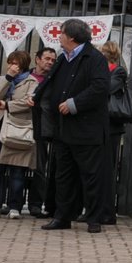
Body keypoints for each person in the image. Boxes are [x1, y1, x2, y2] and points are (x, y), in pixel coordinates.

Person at [33, 18, 110, 232]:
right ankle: (62, 217)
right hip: (63, 128)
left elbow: (100, 88)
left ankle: (94, 218)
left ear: (72, 38)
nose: (59, 36)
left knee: (90, 175)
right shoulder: (62, 58)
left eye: (62, 33)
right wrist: (37, 96)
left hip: (87, 129)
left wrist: (74, 104)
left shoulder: (95, 59)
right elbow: (50, 81)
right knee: (63, 175)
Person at [0, 50, 38, 219]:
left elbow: (30, 102)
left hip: (18, 128)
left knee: (17, 170)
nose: (12, 66)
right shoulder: (3, 78)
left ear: (23, 64)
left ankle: (15, 206)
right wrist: (8, 78)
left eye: (15, 63)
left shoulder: (32, 82)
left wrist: (8, 105)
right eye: (10, 62)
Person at [99, 40, 132, 226]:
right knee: (95, 169)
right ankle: (94, 208)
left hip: (111, 126)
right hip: (96, 125)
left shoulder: (118, 71)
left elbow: (107, 89)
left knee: (108, 170)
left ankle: (108, 212)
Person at [26, 47, 56, 217]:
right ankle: (12, 203)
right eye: (47, 58)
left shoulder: (54, 81)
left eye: (53, 60)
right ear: (37, 59)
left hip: (44, 128)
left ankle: (36, 204)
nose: (50, 62)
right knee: (17, 165)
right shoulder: (24, 77)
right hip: (21, 125)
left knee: (40, 167)